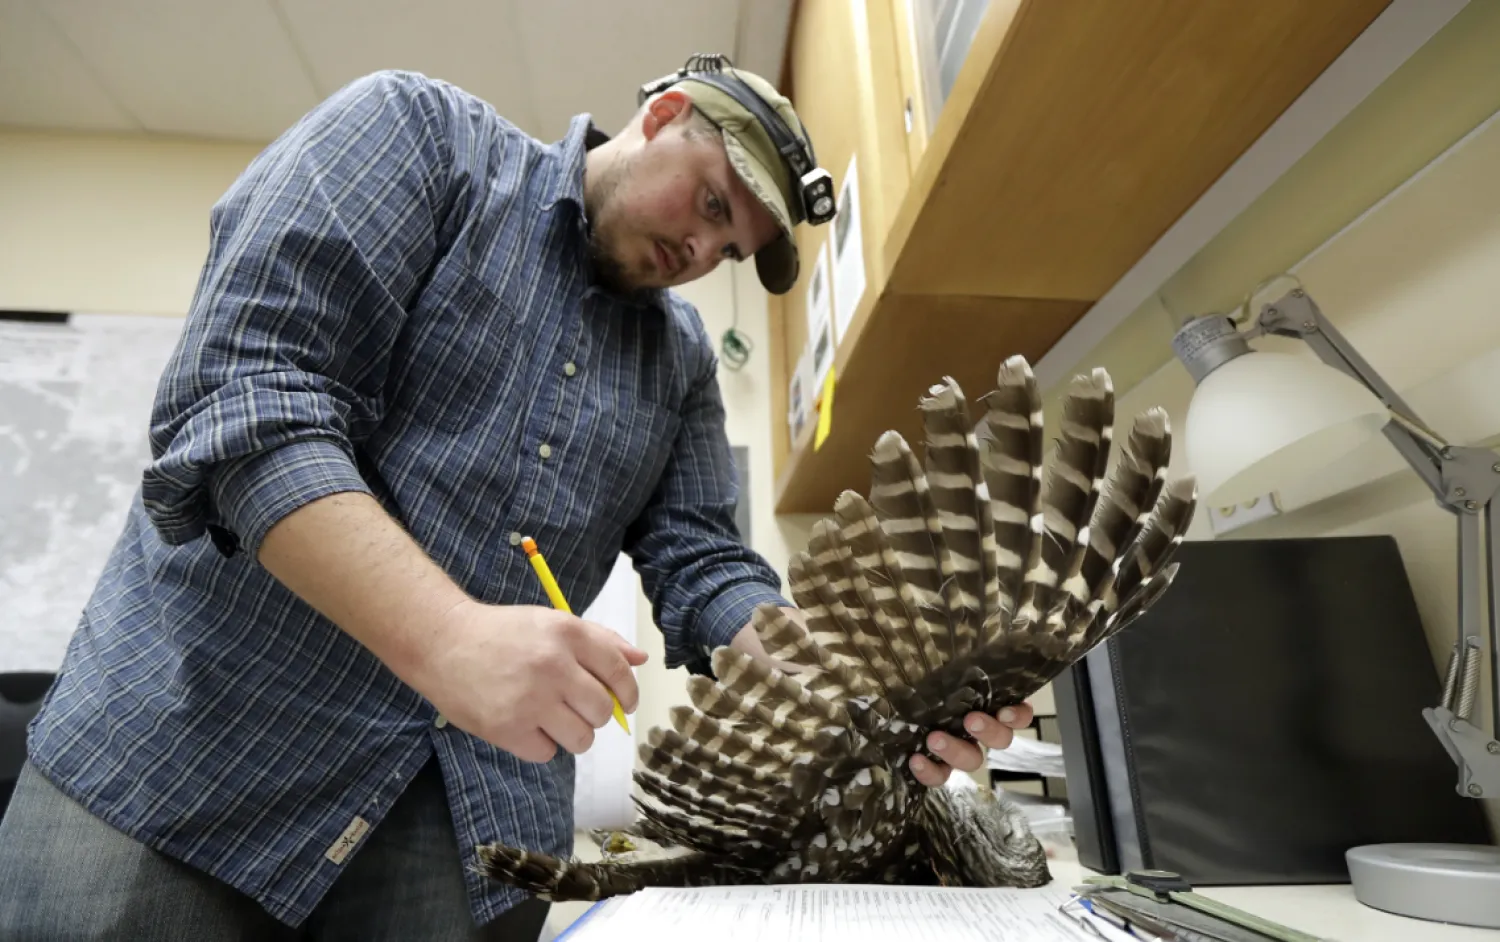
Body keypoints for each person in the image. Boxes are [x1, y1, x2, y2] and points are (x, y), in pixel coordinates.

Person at [0, 61, 1033, 940]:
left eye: (728, 250)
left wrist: (834, 676)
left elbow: (702, 563)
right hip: (188, 762)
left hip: (462, 825)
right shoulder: (417, 140)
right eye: (713, 206)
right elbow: (250, 401)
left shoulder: (677, 364)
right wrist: (447, 637)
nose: (701, 254)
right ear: (664, 114)